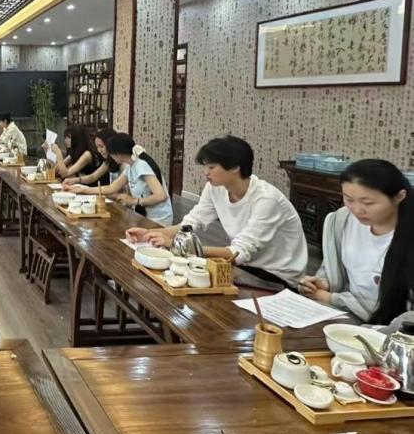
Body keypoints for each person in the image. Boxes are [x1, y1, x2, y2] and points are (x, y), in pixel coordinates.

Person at [126, 135, 307, 286]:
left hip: (277, 277)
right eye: (205, 166)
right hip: (246, 268)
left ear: (235, 167)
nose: (206, 172)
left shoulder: (267, 200)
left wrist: (178, 246)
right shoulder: (215, 188)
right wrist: (149, 234)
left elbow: (239, 253)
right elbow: (192, 222)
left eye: (211, 167)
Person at [299, 159, 412, 323]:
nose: (357, 210)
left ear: (399, 197)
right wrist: (323, 283)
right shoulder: (342, 220)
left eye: (368, 203)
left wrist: (331, 298)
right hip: (344, 312)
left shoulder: (407, 238)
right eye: (349, 199)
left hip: (390, 326)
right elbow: (333, 270)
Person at [70, 133, 173, 225]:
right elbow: (111, 188)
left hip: (159, 219)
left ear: (118, 153)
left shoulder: (141, 165)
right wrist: (83, 190)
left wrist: (135, 201)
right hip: (146, 217)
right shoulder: (130, 167)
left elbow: (161, 196)